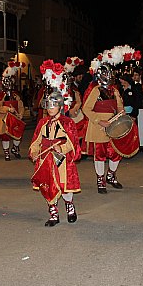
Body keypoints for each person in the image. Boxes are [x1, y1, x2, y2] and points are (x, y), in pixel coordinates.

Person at [29, 90, 81, 226]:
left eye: (54, 105)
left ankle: (69, 206)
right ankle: (53, 212)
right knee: (48, 186)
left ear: (60, 106)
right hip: (45, 158)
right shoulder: (43, 122)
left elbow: (72, 142)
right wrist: (34, 152)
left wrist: (62, 149)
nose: (50, 109)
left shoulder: (67, 122)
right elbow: (36, 140)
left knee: (64, 184)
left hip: (61, 160)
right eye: (48, 105)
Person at [82, 64, 125, 193]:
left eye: (109, 74)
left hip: (113, 126)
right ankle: (100, 180)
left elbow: (119, 107)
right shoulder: (96, 90)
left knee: (116, 153)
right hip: (98, 127)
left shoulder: (115, 91)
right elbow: (86, 108)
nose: (108, 77)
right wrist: (99, 121)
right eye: (105, 74)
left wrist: (121, 111)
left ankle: (111, 176)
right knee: (100, 155)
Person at [0, 64, 25, 161]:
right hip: (3, 119)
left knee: (17, 136)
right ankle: (6, 153)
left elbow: (21, 105)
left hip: (15, 118)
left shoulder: (16, 95)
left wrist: (20, 114)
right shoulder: (0, 95)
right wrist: (7, 109)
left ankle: (15, 149)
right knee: (5, 137)